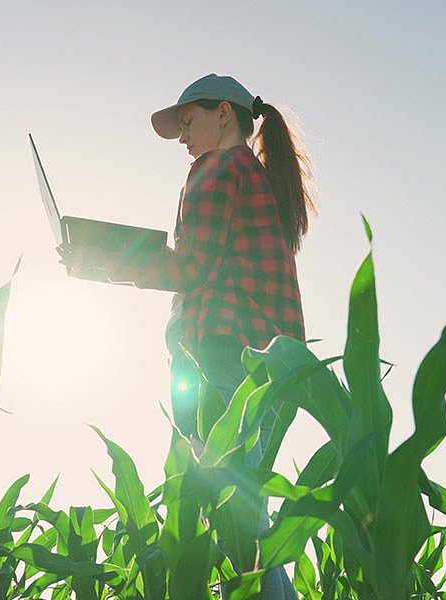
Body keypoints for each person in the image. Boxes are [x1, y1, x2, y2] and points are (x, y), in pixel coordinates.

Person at [58, 73, 315, 599]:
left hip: (224, 359)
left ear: (224, 114)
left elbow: (189, 267)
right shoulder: (257, 175)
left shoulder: (217, 168)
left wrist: (97, 260)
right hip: (273, 368)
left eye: (187, 121)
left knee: (238, 520)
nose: (182, 138)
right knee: (249, 519)